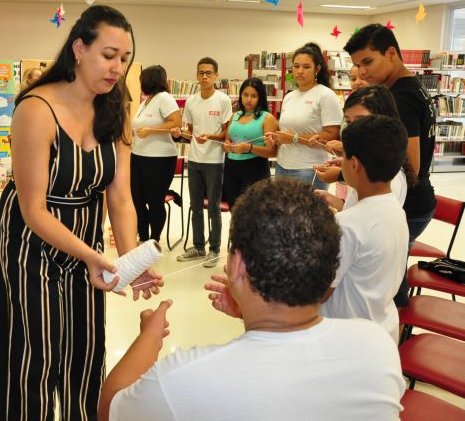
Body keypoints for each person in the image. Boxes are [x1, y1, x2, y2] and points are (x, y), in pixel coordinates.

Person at [98, 178, 404, 421]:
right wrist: (249, 310)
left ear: (238, 266)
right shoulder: (379, 345)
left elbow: (111, 408)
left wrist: (149, 337)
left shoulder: (186, 379)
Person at [0, 5, 163, 421]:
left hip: (86, 240)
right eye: (108, 55)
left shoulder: (114, 108)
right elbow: (33, 209)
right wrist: (93, 256)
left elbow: (120, 197)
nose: (117, 68)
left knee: (86, 350)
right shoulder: (36, 109)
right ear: (79, 49)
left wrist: (130, 260)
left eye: (124, 59)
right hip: (31, 244)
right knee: (33, 356)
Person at [344, 24, 436, 307]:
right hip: (414, 201)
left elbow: (408, 164)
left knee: (385, 285)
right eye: (358, 65)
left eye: (368, 62)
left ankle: (392, 340)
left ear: (391, 52)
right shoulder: (408, 87)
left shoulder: (402, 99)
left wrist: (348, 169)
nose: (362, 72)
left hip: (408, 203)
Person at [320, 115, 409, 342]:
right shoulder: (396, 210)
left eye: (343, 156)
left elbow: (320, 292)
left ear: (354, 164)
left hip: (346, 336)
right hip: (380, 327)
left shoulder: (347, 225)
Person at [171, 57, 232, 267]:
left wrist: (211, 137)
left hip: (215, 161)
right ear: (197, 75)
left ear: (216, 75)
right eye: (201, 73)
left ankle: (214, 249)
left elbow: (227, 134)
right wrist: (180, 133)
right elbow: (190, 133)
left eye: (209, 73)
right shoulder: (191, 101)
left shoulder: (223, 100)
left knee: (213, 207)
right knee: (195, 206)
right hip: (194, 160)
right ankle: (198, 247)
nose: (204, 77)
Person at [315, 85, 414, 212]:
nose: (352, 129)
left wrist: (342, 175)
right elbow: (359, 211)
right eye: (349, 122)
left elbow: (367, 222)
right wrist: (329, 199)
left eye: (361, 121)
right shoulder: (372, 165)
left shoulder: (389, 178)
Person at [266, 42, 342, 191]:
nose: (300, 71)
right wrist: (276, 138)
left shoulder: (326, 95)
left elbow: (332, 136)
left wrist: (295, 138)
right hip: (282, 166)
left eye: (306, 67)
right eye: (296, 66)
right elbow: (287, 131)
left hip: (309, 169)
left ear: (317, 69)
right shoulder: (289, 96)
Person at [130, 65, 181, 243]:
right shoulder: (146, 101)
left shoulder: (164, 98)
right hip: (138, 155)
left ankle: (153, 240)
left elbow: (176, 122)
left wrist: (151, 130)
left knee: (154, 201)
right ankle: (143, 238)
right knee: (137, 200)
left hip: (159, 159)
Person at [221, 77, 278, 209]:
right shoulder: (235, 115)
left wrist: (249, 148)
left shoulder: (267, 118)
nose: (248, 99)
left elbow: (273, 151)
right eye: (245, 95)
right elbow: (227, 140)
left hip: (255, 169)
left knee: (253, 214)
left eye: (253, 96)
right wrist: (227, 146)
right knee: (234, 211)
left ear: (260, 97)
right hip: (231, 169)